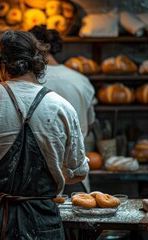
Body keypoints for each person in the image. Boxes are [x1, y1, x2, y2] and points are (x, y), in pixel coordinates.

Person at [0, 30, 89, 240]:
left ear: (0, 64)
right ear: (37, 62)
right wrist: (47, 182)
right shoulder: (62, 107)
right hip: (44, 222)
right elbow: (79, 173)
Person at [29, 25, 97, 193]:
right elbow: (89, 122)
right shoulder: (82, 80)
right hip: (75, 174)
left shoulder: (28, 81)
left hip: (36, 177)